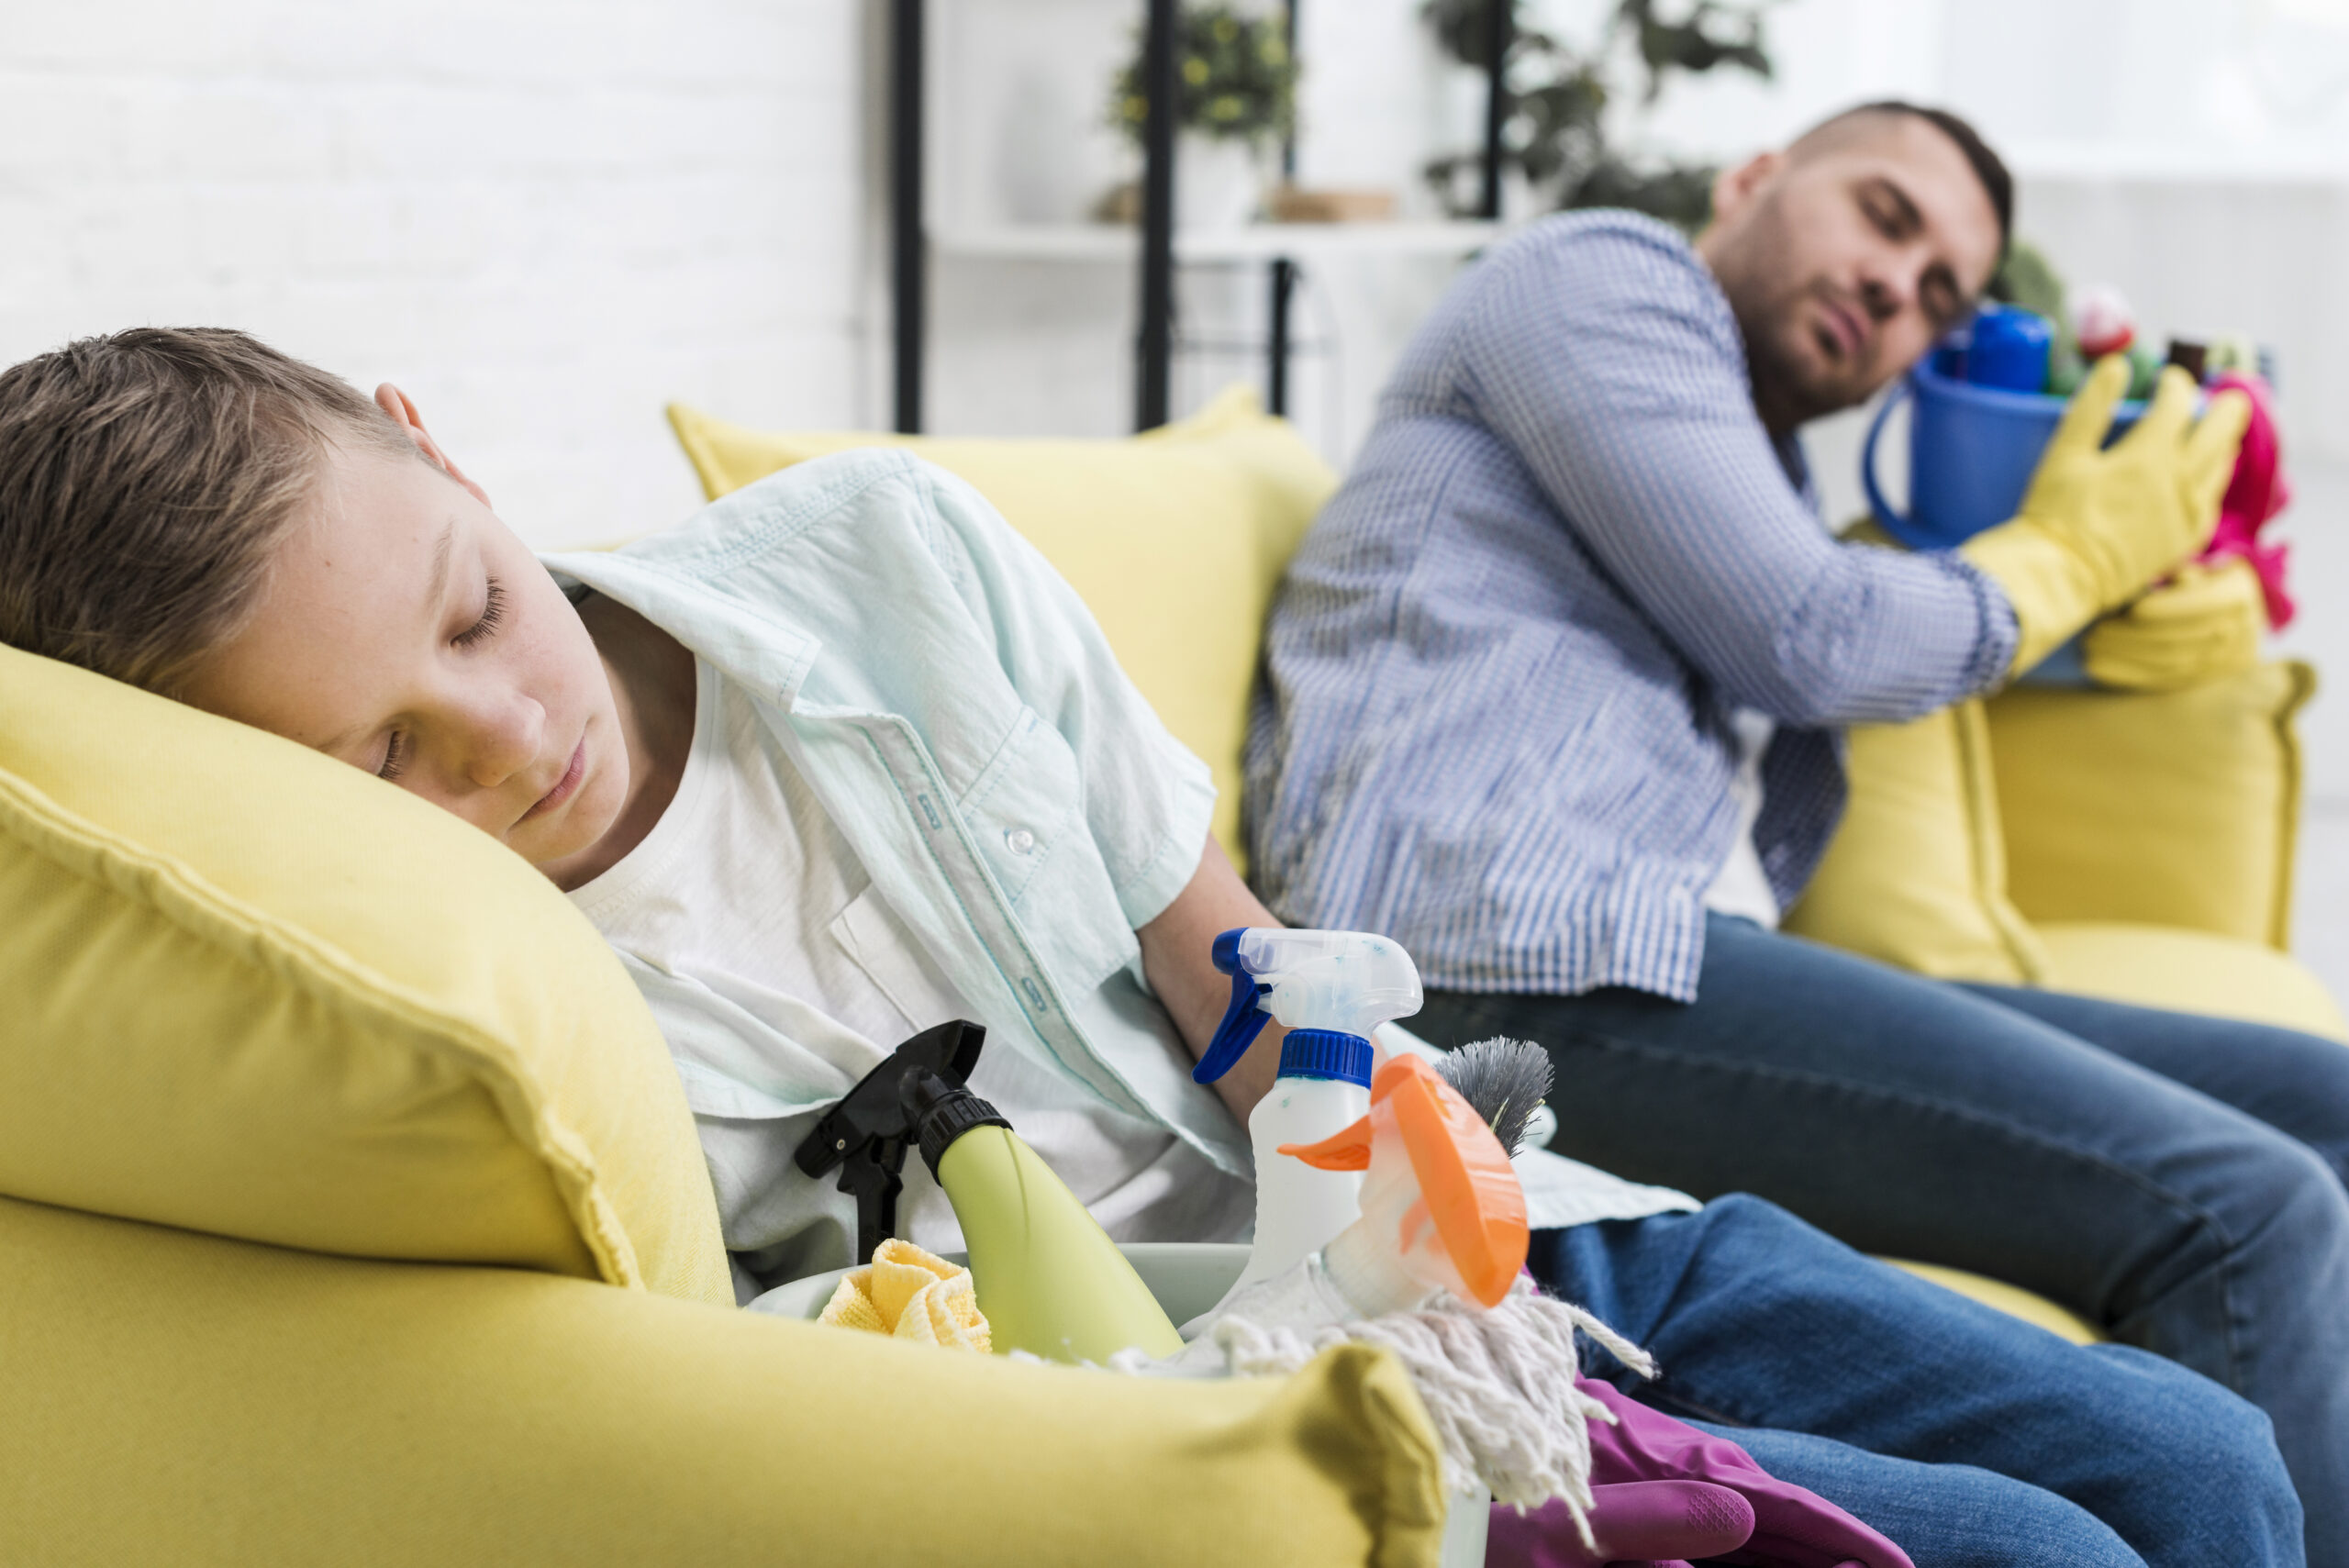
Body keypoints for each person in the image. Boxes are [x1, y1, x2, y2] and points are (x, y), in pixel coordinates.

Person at [0, 327, 2306, 1568]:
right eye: (380, 761)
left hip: (1497, 1255)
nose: (506, 741)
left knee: (2197, 1463)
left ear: (445, 448)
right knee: (2044, 1550)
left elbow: (1228, 975)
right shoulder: (460, 1009)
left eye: (474, 613)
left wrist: (1434, 1209)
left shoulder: (875, 560)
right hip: (1245, 1413)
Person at [1244, 96, 2349, 1556]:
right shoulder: (1605, 277)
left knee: (2324, 1102)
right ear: (1756, 176)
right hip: (1494, 957)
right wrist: (2066, 558)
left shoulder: (1761, 475)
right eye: (1886, 218)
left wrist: (2103, 567)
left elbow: (1834, 614)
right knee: (2246, 1209)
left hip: (1658, 963)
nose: (1901, 289)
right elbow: (1815, 633)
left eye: (1942, 292)